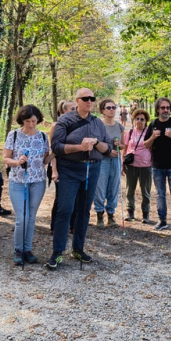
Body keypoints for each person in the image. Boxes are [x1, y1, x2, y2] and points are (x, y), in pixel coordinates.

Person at [48, 88, 112, 269]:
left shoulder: (97, 123)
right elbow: (56, 147)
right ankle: (57, 252)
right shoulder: (65, 120)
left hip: (92, 169)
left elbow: (108, 149)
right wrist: (79, 147)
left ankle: (78, 248)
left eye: (92, 98)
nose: (89, 101)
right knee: (65, 209)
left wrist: (96, 143)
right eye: (85, 98)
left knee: (84, 211)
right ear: (77, 100)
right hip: (69, 169)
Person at [2, 105, 51, 265]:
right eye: (27, 121)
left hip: (38, 181)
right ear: (22, 120)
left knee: (31, 217)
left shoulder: (42, 136)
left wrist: (56, 153)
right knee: (22, 217)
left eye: (34, 121)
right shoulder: (14, 134)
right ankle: (18, 249)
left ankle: (27, 249)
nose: (31, 124)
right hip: (18, 181)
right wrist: (17, 162)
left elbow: (45, 160)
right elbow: (5, 158)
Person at [143, 98, 171, 235]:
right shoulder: (153, 124)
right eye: (163, 108)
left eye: (168, 107)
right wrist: (153, 137)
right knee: (160, 194)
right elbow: (146, 144)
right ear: (158, 109)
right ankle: (162, 220)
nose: (165, 110)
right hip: (157, 166)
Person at [93, 98, 125, 228]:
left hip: (116, 160)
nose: (112, 110)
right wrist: (107, 151)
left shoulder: (119, 126)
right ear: (103, 110)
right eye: (109, 108)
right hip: (102, 160)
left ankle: (111, 215)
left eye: (113, 107)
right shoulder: (98, 125)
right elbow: (95, 143)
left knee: (114, 187)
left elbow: (123, 146)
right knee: (100, 187)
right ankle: (99, 214)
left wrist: (119, 144)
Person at [49, 100, 77, 234]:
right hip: (59, 165)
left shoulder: (78, 125)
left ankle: (73, 225)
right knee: (61, 197)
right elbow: (53, 150)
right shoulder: (56, 125)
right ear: (64, 111)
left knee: (76, 196)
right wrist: (54, 170)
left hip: (74, 165)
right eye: (72, 109)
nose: (75, 111)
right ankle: (56, 226)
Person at [122, 108, 153, 223]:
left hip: (145, 165)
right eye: (137, 119)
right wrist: (123, 163)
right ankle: (130, 212)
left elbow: (152, 149)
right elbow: (125, 148)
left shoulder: (149, 133)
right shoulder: (130, 132)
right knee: (130, 190)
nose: (139, 121)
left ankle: (146, 213)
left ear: (146, 121)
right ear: (134, 120)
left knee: (145, 191)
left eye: (142, 119)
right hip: (131, 165)